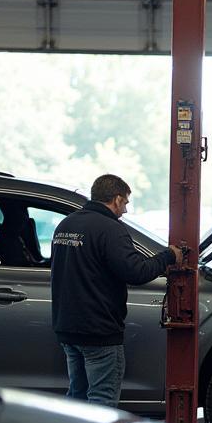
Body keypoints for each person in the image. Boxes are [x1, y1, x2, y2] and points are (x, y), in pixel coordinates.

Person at [51, 174, 181, 408]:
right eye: (126, 204)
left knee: (77, 398)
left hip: (67, 327)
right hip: (98, 331)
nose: (126, 211)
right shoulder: (110, 229)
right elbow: (136, 272)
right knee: (102, 400)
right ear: (117, 199)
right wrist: (169, 256)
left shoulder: (66, 224)